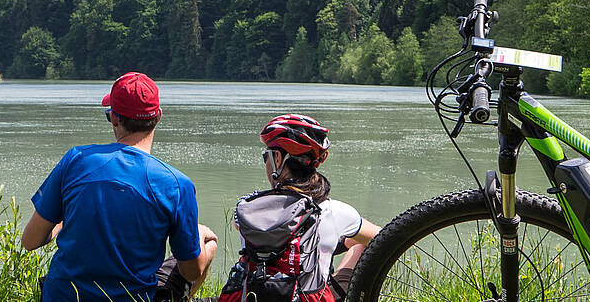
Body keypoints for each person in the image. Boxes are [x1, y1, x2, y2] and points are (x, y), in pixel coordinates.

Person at [20, 72, 220, 302]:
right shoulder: (177, 184)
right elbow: (191, 271)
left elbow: (30, 241)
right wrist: (196, 233)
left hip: (63, 296)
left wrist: (59, 224)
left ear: (114, 118)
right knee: (207, 241)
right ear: (159, 117)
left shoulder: (75, 159)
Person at [240, 113, 381, 300]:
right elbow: (383, 237)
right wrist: (334, 245)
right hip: (312, 297)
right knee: (359, 244)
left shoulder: (247, 210)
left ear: (278, 159)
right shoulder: (336, 212)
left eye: (266, 156)